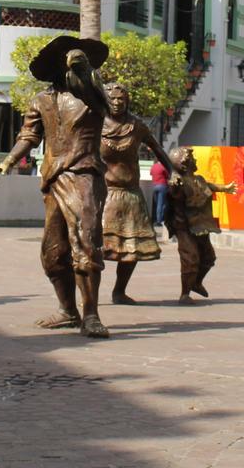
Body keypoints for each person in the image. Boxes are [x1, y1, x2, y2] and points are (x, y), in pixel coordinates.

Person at [0, 35, 111, 339]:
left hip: (84, 174)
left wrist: (82, 69)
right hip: (53, 178)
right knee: (53, 252)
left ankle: (91, 314)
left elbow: (99, 98)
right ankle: (68, 310)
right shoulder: (41, 100)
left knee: (86, 242)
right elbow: (28, 136)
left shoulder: (91, 97)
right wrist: (8, 161)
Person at [99, 82, 173, 305]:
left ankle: (119, 291)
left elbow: (158, 149)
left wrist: (173, 172)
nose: (117, 103)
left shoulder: (137, 126)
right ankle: (87, 293)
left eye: (122, 99)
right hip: (103, 194)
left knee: (131, 250)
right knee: (93, 248)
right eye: (112, 99)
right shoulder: (95, 125)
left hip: (131, 194)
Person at [166, 147, 236, 305]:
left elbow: (208, 186)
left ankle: (196, 283)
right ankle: (184, 294)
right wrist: (174, 181)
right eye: (193, 159)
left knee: (208, 257)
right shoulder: (178, 182)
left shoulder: (198, 179)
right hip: (184, 227)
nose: (196, 160)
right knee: (191, 259)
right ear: (186, 163)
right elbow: (173, 191)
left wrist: (224, 188)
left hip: (201, 225)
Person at [150, 158, 169, 228]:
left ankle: (157, 218)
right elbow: (167, 176)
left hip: (154, 186)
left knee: (157, 203)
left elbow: (151, 173)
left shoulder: (153, 166)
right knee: (161, 204)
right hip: (162, 186)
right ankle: (159, 221)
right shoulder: (163, 167)